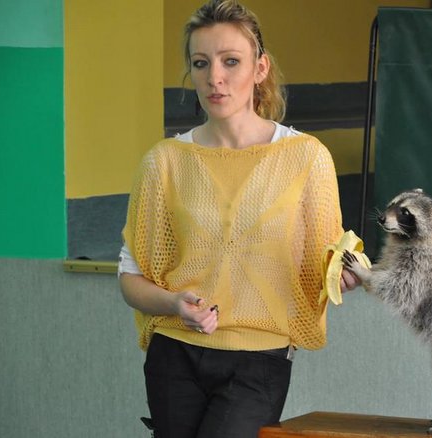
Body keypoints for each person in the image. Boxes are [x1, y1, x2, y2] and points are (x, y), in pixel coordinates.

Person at [118, 1, 359, 437]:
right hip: (175, 353)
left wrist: (343, 276)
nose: (215, 77)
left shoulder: (305, 158)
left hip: (259, 361)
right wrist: (174, 304)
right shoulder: (165, 161)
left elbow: (325, 266)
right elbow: (131, 278)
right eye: (200, 63)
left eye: (231, 61)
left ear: (260, 68)